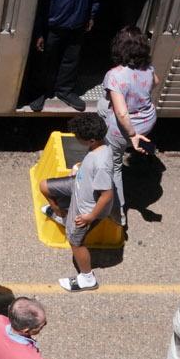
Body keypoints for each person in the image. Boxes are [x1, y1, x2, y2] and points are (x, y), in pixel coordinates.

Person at [42, 114, 117, 293]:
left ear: (91, 140)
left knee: (75, 242)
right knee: (44, 186)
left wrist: (90, 217)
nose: (76, 139)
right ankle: (62, 215)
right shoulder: (99, 146)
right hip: (77, 186)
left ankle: (87, 278)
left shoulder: (102, 164)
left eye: (79, 137)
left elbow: (106, 195)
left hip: (85, 209)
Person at [22, 0, 97, 112]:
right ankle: (40, 92)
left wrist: (91, 15)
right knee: (45, 60)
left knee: (71, 60)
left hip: (77, 24)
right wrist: (39, 31)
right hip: (53, 25)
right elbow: (39, 2)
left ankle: (65, 90)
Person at [100, 25, 158, 156]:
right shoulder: (148, 67)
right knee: (102, 106)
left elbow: (121, 113)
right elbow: (156, 82)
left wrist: (132, 135)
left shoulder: (114, 75)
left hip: (127, 129)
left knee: (114, 161)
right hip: (148, 121)